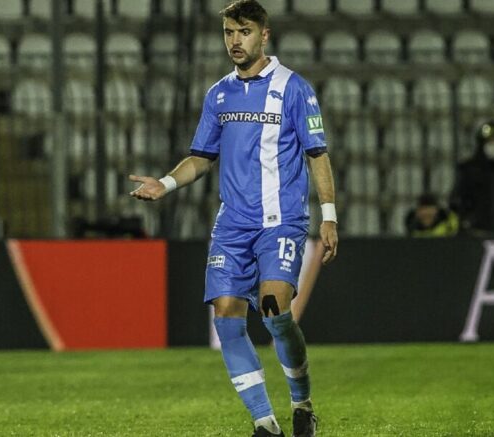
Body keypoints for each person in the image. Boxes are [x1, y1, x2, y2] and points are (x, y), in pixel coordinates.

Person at [129, 1, 337, 435]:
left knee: (275, 310)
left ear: (264, 35)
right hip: (232, 225)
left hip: (281, 220)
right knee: (226, 315)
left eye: (244, 31)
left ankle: (302, 402)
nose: (235, 41)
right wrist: (164, 184)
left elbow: (317, 154)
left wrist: (329, 216)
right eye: (228, 32)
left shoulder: (293, 88)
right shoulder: (219, 94)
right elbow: (201, 157)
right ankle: (265, 422)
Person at [449, 119, 494, 233]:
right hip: (475, 232)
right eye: (489, 142)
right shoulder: (468, 169)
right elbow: (456, 199)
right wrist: (467, 220)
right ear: (481, 144)